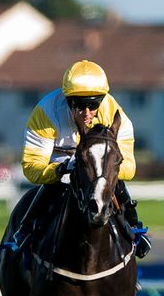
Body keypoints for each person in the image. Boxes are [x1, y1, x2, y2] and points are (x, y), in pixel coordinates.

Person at [9, 60, 150, 258]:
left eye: (93, 105)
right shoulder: (45, 114)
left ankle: (135, 229)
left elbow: (128, 167)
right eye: (79, 105)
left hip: (98, 164)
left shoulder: (114, 114)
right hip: (59, 162)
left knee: (114, 182)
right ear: (67, 99)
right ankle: (25, 229)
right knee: (52, 186)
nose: (86, 113)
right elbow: (32, 167)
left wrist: (97, 166)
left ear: (102, 99)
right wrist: (62, 169)